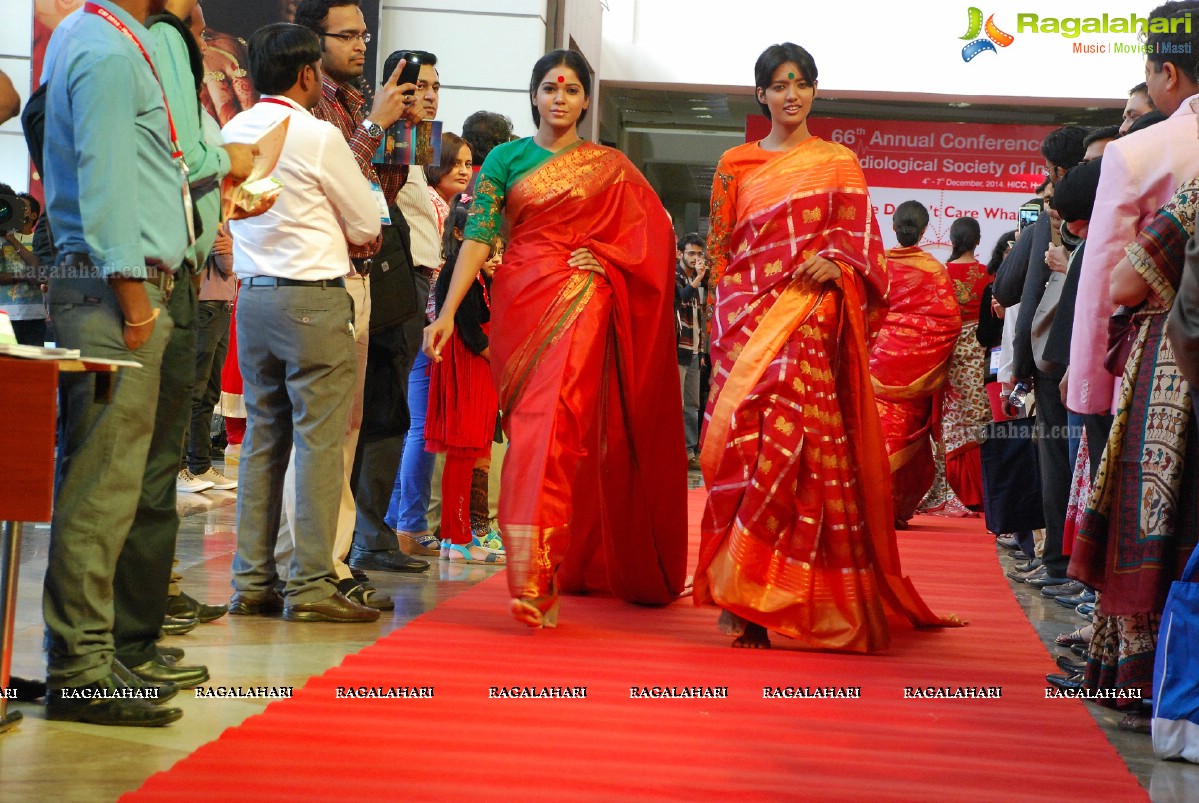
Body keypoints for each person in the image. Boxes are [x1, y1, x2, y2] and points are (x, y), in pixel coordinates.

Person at [692, 43, 956, 651]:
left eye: (802, 83)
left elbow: (866, 254)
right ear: (760, 94)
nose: (792, 94)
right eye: (780, 85)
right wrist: (728, 319)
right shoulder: (736, 163)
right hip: (745, 324)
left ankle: (770, 599)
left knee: (793, 451)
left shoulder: (838, 163)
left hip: (807, 322)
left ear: (814, 90)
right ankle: (745, 590)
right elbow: (721, 251)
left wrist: (834, 262)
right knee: (744, 448)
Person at [424, 49, 687, 629]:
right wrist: (445, 310)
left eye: (571, 90)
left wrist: (612, 257)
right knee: (529, 433)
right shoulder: (503, 161)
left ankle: (536, 573)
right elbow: (479, 237)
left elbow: (657, 234)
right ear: (535, 96)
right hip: (520, 301)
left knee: (559, 427)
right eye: (549, 88)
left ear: (586, 99)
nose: (560, 98)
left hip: (584, 296)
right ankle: (548, 559)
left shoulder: (609, 166)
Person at [40, 0, 197, 726]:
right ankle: (79, 667)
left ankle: (93, 655)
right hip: (112, 292)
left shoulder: (103, 37)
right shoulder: (103, 48)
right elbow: (105, 186)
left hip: (113, 288)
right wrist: (136, 301)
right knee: (101, 490)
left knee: (112, 485)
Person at [223, 22, 381, 623]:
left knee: (264, 441)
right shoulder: (316, 134)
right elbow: (367, 221)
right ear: (306, 74)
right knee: (318, 442)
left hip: (254, 299)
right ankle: (312, 586)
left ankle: (252, 581)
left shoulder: (232, 130)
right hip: (312, 298)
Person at [1068, 173, 1199, 731]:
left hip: (1174, 374)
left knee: (1157, 524)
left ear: (1166, 77)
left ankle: (1150, 678)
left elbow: (1124, 283)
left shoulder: (1181, 183)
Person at [1069, 0, 1199, 438]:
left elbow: (1105, 282)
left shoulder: (1136, 153)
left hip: (1167, 366)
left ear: (1168, 73)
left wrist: (1091, 388)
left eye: (1147, 72)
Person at [869, 201, 960, 528]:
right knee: (905, 435)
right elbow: (949, 322)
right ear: (923, 231)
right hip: (916, 369)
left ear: (894, 227)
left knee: (873, 431)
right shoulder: (934, 270)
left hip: (875, 363)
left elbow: (862, 311)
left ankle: (867, 505)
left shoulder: (877, 266)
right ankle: (891, 509)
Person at [425, 195, 505, 564]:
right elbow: (473, 332)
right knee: (461, 453)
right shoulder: (457, 272)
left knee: (470, 453)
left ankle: (459, 536)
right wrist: (503, 363)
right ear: (459, 233)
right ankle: (456, 537)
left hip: (474, 367)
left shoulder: (472, 274)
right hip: (469, 366)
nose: (487, 244)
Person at [937, 216, 991, 512]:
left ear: (952, 241)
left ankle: (949, 488)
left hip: (947, 352)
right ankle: (984, 491)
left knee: (950, 419)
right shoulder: (987, 274)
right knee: (980, 417)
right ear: (978, 241)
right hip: (977, 353)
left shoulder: (941, 274)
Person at [675, 232, 707, 469]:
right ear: (680, 254)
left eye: (699, 253)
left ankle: (688, 452)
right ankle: (674, 451)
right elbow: (677, 301)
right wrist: (696, 281)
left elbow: (699, 317)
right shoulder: (675, 276)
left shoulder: (697, 282)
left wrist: (702, 350)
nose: (696, 258)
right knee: (676, 403)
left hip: (694, 351)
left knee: (693, 404)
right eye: (691, 253)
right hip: (678, 349)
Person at [0, 189, 46, 347]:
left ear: (33, 215)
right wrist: (24, 276)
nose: (17, 210)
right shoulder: (1, 239)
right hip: (3, 317)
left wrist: (13, 241)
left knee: (33, 367)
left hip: (34, 315)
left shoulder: (39, 239)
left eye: (22, 207)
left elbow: (40, 269)